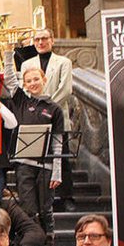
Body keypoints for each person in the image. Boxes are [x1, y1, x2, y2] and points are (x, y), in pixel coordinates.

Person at [4, 52, 64, 237]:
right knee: (29, 211)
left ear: (44, 79)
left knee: (46, 210)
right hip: (25, 165)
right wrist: (8, 53)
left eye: (36, 79)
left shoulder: (54, 108)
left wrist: (57, 171)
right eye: (28, 81)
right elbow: (9, 79)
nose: (32, 83)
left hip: (46, 167)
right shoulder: (22, 100)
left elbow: (57, 141)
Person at [20, 28, 74, 210]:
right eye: (37, 39)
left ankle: (67, 197)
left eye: (44, 39)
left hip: (56, 117)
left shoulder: (63, 62)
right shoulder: (27, 63)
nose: (41, 42)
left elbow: (65, 90)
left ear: (52, 40)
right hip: (34, 119)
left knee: (62, 157)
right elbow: (24, 89)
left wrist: (48, 109)